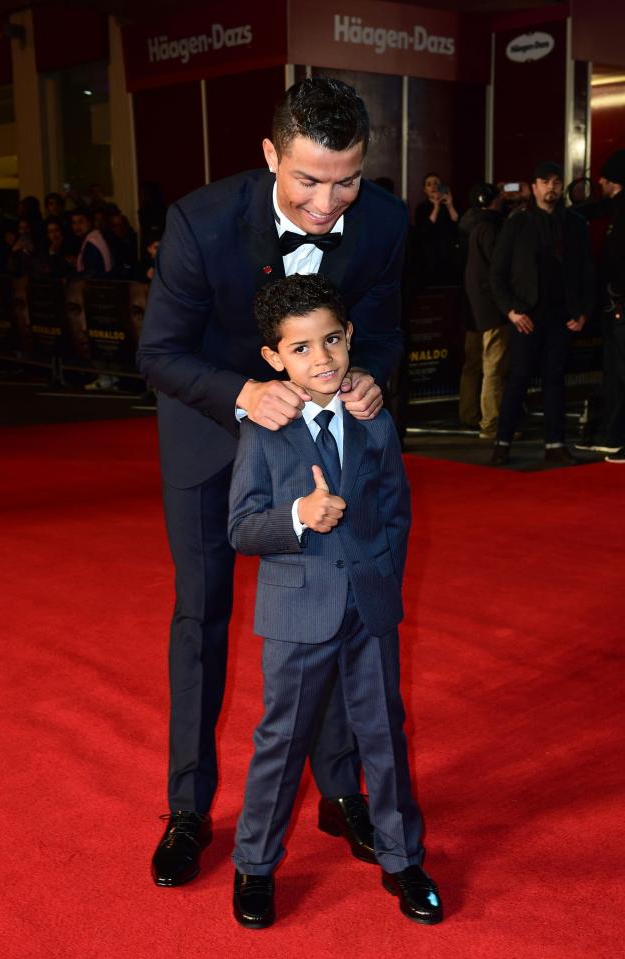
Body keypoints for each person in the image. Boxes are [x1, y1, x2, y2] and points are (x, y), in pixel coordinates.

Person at [137, 77, 408, 888]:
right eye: (310, 179)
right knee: (203, 614)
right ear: (269, 156)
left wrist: (369, 379)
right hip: (212, 439)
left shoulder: (386, 223)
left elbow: (384, 333)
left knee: (330, 610)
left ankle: (338, 792)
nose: (331, 201)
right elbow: (159, 353)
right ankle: (190, 806)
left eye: (349, 178)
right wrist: (245, 395)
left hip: (322, 444)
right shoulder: (202, 219)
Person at [228, 273, 442, 929]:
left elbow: (396, 512)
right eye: (300, 349)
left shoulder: (373, 418)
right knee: (281, 741)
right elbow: (241, 527)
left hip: (369, 607)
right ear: (273, 358)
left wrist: (381, 578)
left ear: (348, 337)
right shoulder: (266, 431)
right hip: (298, 611)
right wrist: (299, 514)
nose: (321, 360)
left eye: (331, 341)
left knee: (384, 733)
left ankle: (403, 858)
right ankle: (255, 864)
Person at [489, 161, 594, 465]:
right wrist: (510, 311)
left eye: (556, 182)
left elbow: (587, 270)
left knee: (555, 379)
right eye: (545, 182)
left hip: (563, 316)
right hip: (525, 316)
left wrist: (584, 311)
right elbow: (497, 273)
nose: (552, 187)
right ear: (533, 187)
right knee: (518, 378)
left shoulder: (575, 223)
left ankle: (555, 443)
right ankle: (502, 441)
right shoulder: (516, 223)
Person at [573, 150, 625, 462]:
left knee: (619, 371)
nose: (600, 181)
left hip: (619, 307)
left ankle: (615, 437)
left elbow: (617, 258)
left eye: (605, 176)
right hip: (616, 305)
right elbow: (590, 209)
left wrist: (614, 292)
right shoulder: (616, 206)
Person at [462, 183, 510, 440]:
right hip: (491, 309)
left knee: (472, 365)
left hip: (472, 308)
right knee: (494, 368)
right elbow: (498, 268)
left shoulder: (468, 225)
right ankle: (491, 424)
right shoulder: (492, 227)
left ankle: (469, 414)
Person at [414, 172, 460, 286]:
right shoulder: (421, 208)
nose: (433, 186)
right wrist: (436, 208)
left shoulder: (449, 205)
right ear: (425, 190)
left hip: (448, 253)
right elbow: (424, 229)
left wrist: (449, 205)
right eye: (429, 184)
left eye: (436, 183)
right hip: (429, 255)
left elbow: (457, 223)